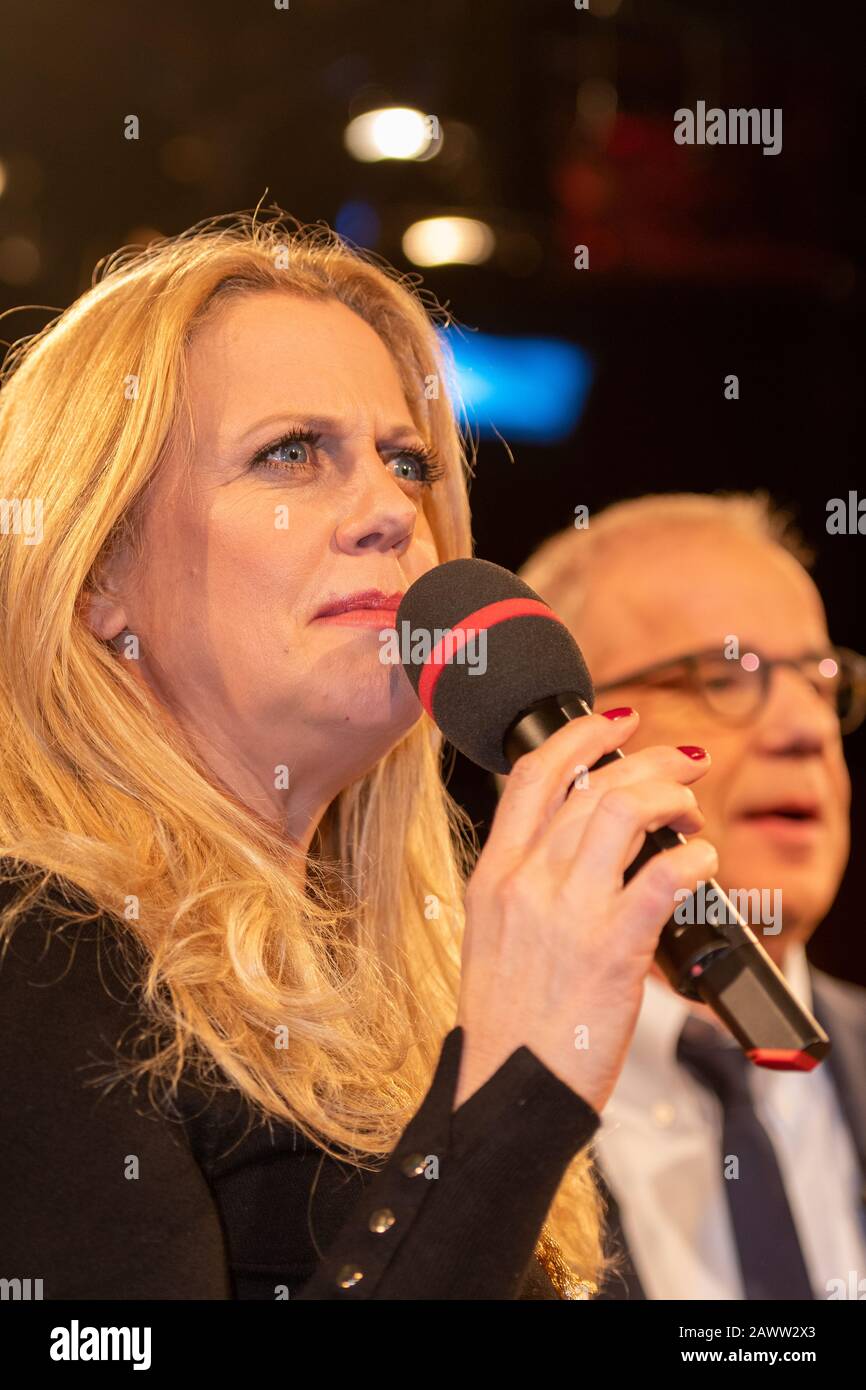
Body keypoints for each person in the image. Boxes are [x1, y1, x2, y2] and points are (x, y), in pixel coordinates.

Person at [0, 212, 719, 1300]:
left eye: (406, 462)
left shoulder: (419, 991)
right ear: (98, 571)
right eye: (289, 455)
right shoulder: (36, 960)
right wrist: (507, 1095)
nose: (391, 510)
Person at [518, 492, 866, 1300]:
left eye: (822, 682)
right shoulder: (444, 1113)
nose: (805, 729)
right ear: (561, 746)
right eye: (724, 675)